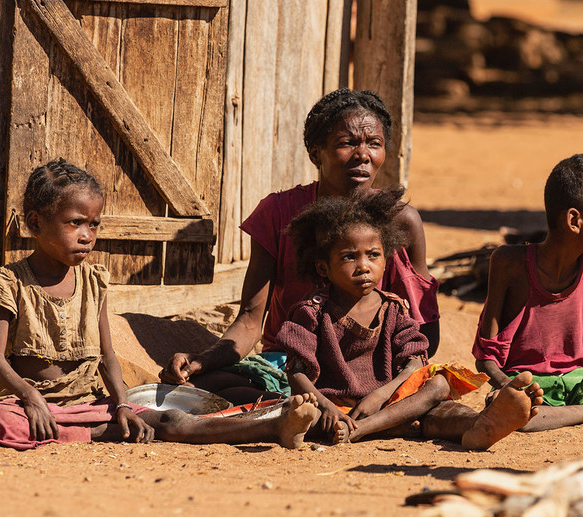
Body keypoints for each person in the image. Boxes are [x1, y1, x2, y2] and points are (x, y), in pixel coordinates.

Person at [0, 159, 321, 450]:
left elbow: (108, 356)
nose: (87, 235)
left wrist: (122, 404)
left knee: (171, 418)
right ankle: (99, 433)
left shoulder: (94, 282)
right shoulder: (10, 281)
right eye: (75, 223)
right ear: (35, 223)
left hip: (86, 403)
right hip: (23, 403)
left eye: (94, 225)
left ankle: (273, 425)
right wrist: (30, 396)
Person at [159, 89, 441, 405]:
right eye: (347, 143)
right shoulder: (279, 214)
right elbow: (250, 320)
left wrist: (382, 374)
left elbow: (425, 333)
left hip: (373, 368)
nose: (363, 155)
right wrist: (204, 359)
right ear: (315, 153)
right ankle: (300, 410)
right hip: (291, 365)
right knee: (206, 385)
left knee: (435, 392)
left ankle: (297, 412)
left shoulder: (401, 221)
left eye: (374, 143)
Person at [280, 189, 544, 448]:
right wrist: (326, 406)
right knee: (303, 413)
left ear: (386, 259)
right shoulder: (312, 312)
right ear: (323, 267)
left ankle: (480, 424)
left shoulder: (393, 308)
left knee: (438, 387)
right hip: (337, 408)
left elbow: (414, 360)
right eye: (349, 257)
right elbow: (296, 372)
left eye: (373, 255)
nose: (363, 266)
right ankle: (375, 427)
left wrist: (382, 394)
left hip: (392, 402)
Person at [472, 154, 583, 431]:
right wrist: (510, 386)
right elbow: (485, 359)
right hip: (530, 383)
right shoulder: (509, 263)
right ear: (574, 220)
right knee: (513, 409)